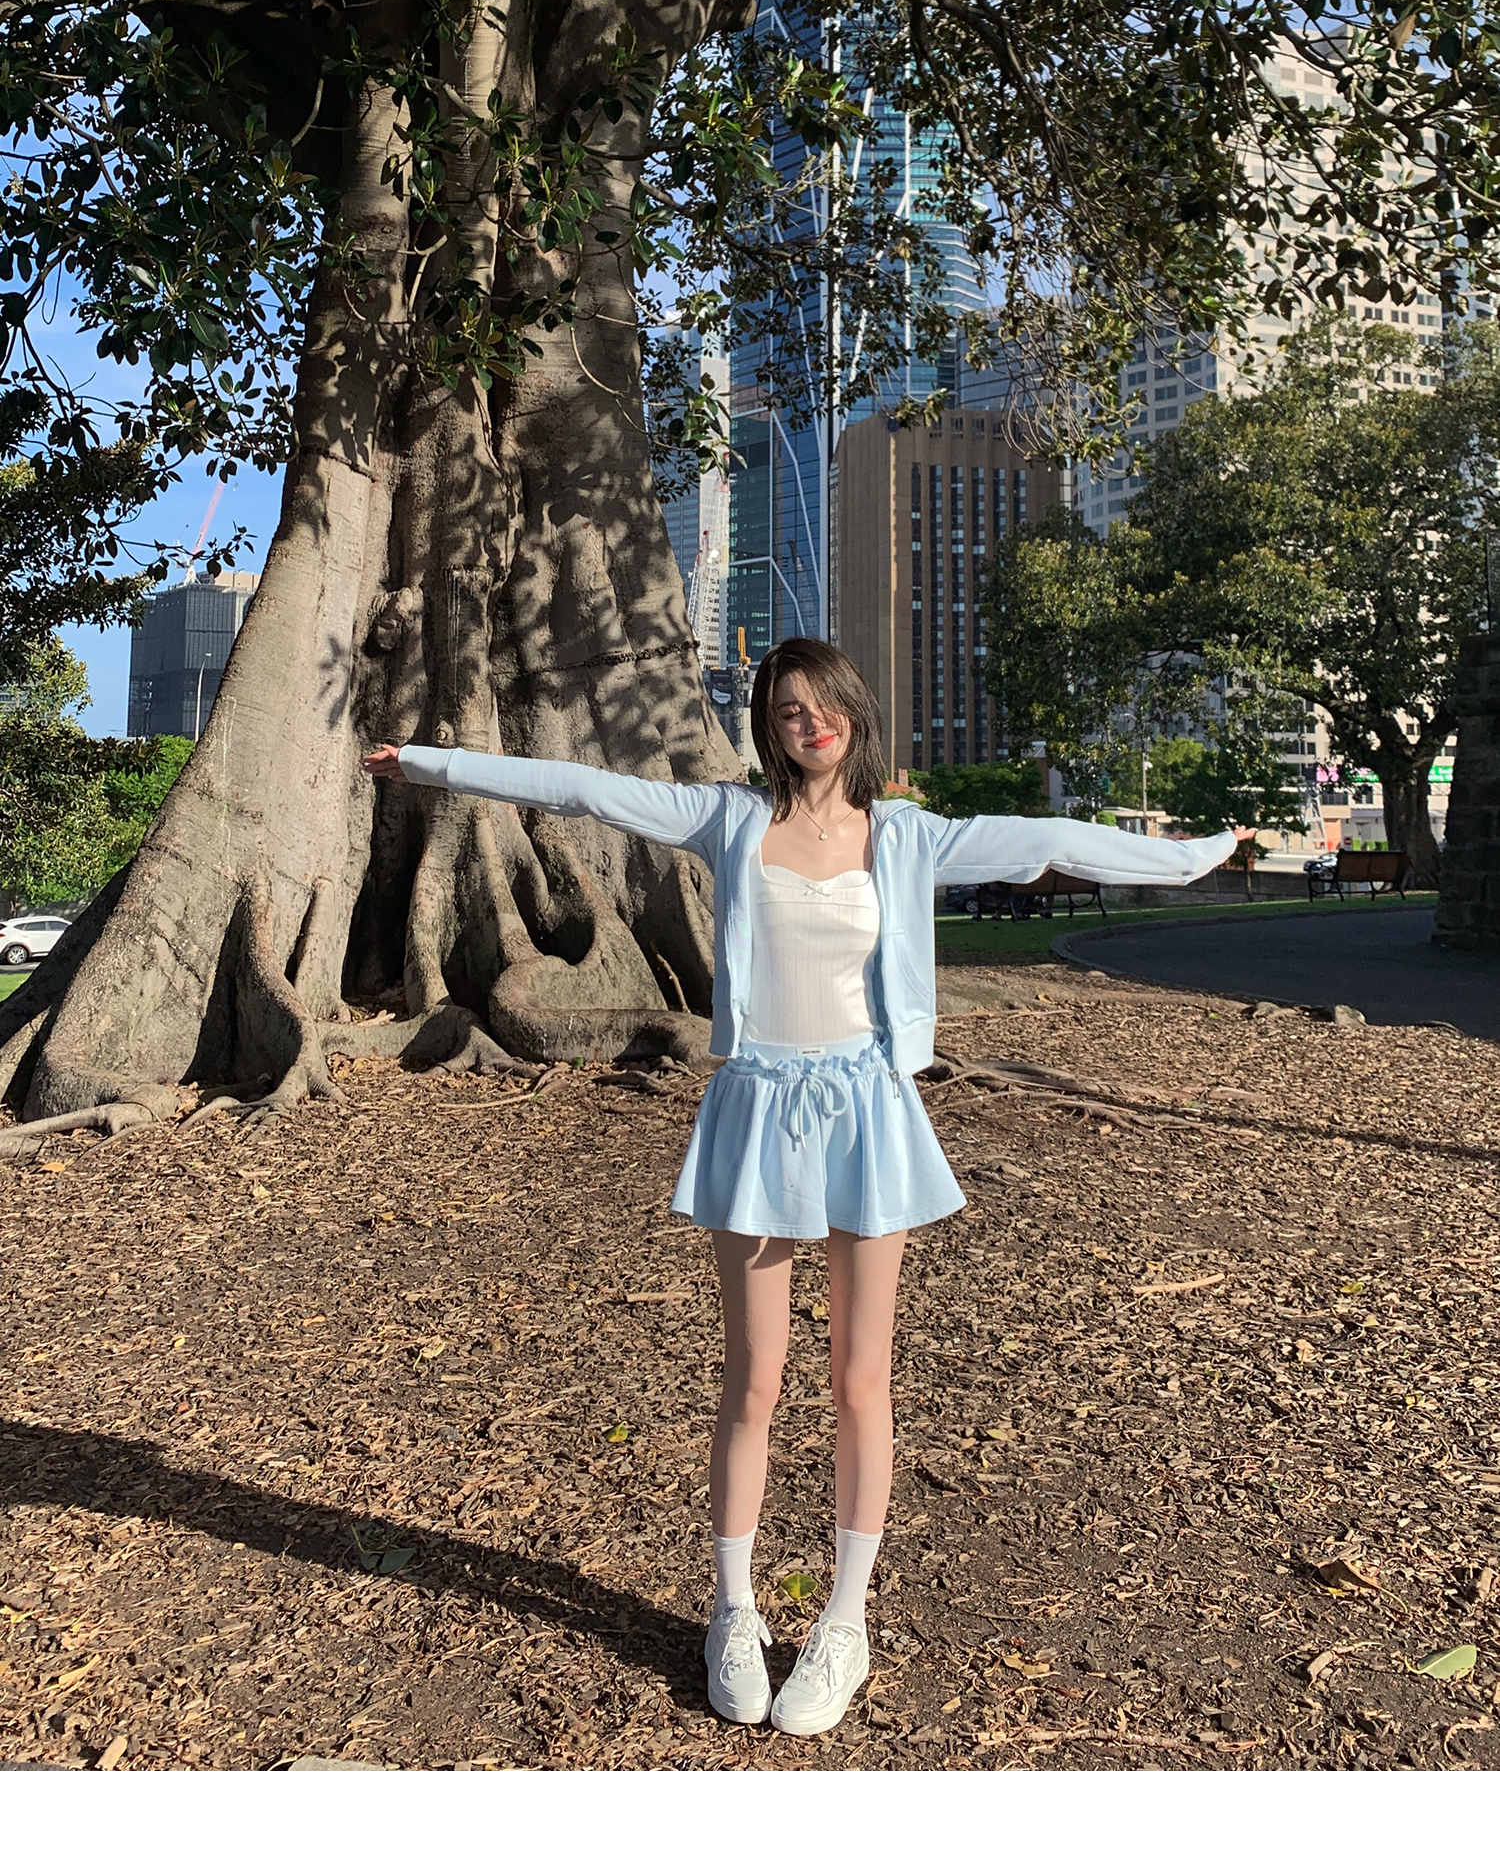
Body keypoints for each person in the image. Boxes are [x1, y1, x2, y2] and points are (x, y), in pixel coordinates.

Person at [364, 637, 1234, 1737]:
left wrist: (1192, 858)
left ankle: (844, 1621)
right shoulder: (728, 820)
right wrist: (430, 762)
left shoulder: (906, 835)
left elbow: (1046, 840)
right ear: (769, 728)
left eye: (825, 706)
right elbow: (579, 787)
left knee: (862, 1381)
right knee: (754, 1380)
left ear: (854, 716)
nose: (810, 723)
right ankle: (732, 1611)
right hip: (760, 1104)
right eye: (787, 710)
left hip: (867, 1107)